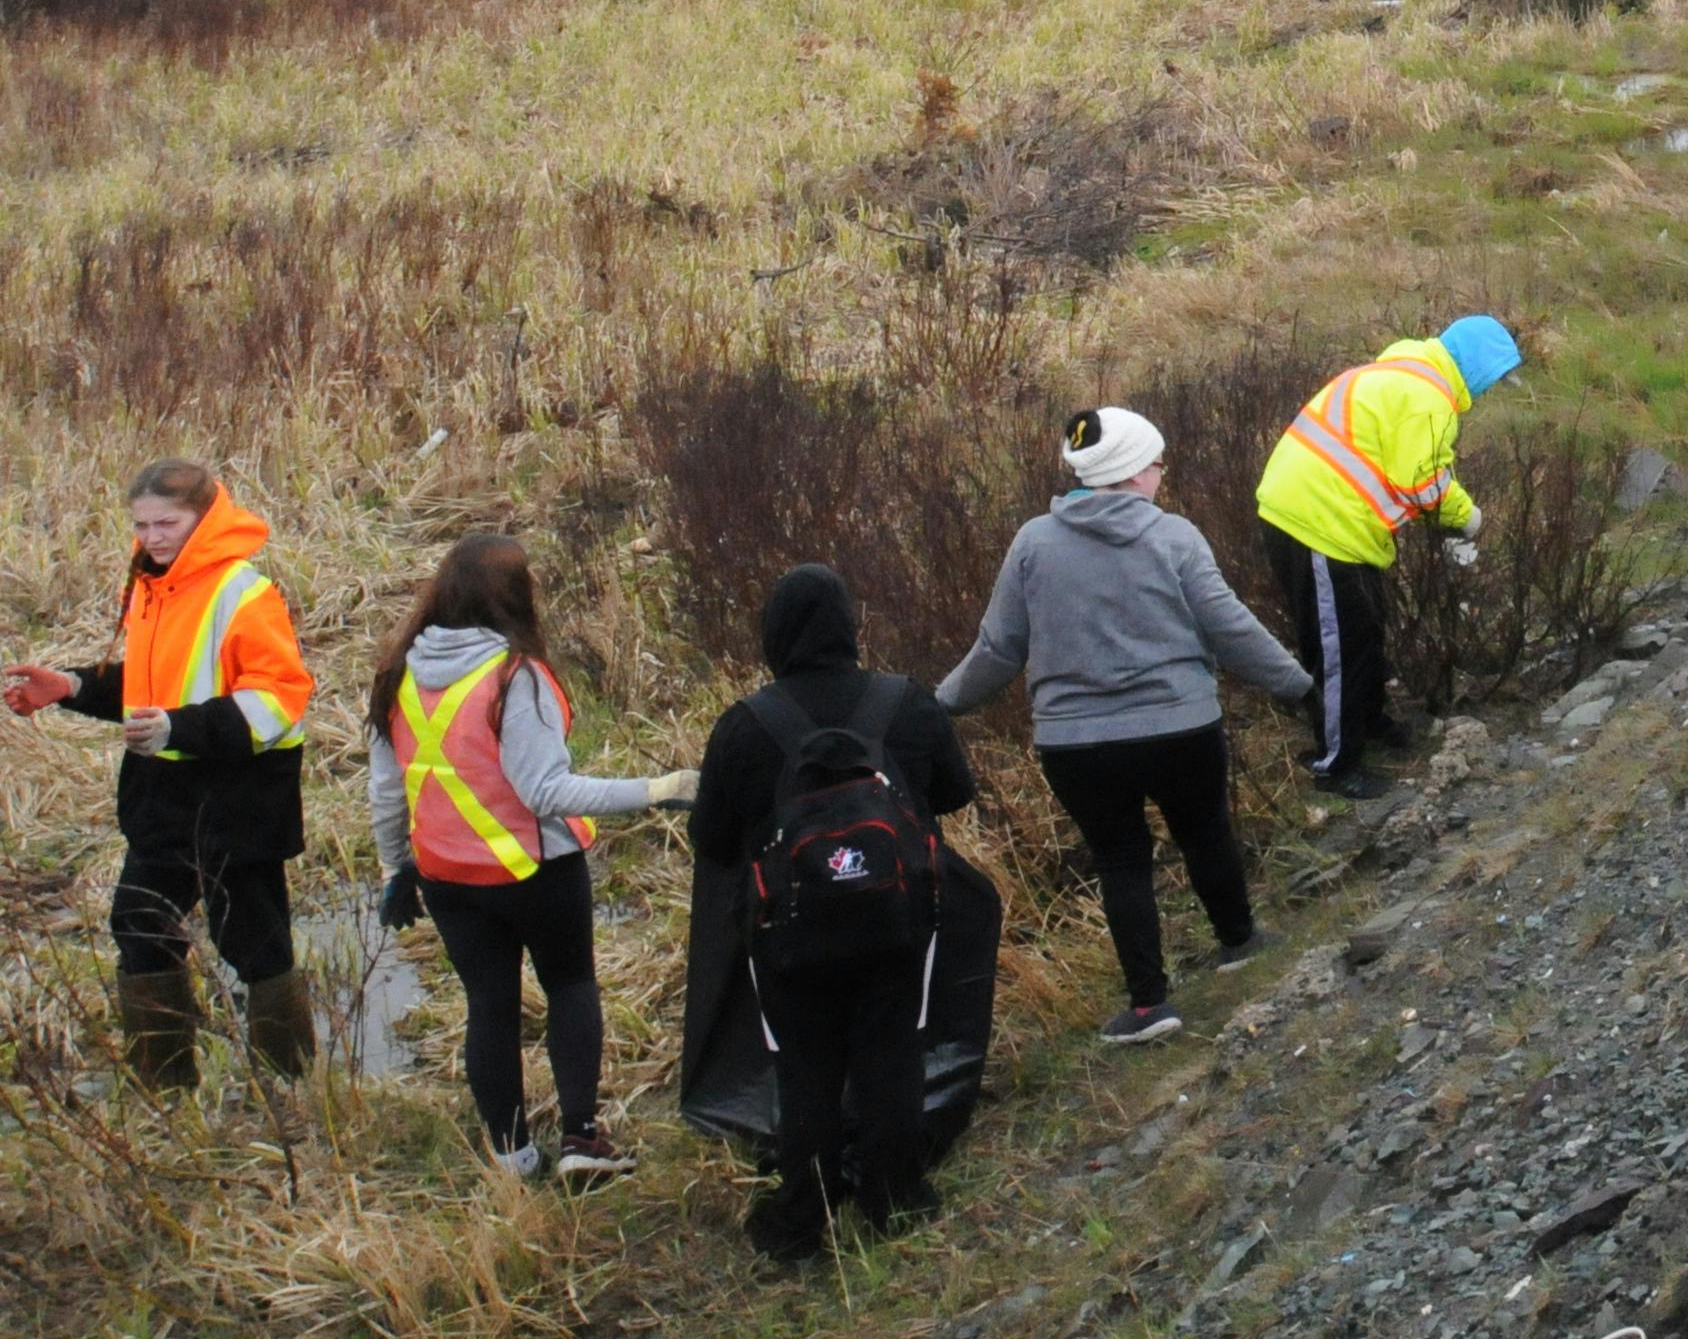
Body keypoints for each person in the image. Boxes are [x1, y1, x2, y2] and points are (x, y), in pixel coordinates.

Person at [939, 408, 1309, 1046]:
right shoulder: (1175, 538)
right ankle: (1240, 941)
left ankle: (1148, 1006)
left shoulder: (1032, 543)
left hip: (1076, 746)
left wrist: (939, 704)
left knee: (1120, 861)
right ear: (1137, 471)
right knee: (1206, 832)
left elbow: (999, 650)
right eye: (1159, 463)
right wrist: (1298, 684)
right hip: (1182, 729)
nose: (1163, 475)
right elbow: (1230, 629)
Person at [367, 534, 698, 1182]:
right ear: (518, 598)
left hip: (447, 880)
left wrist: (393, 866)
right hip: (536, 872)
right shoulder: (515, 676)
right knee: (570, 986)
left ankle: (513, 1158)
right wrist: (658, 790)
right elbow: (545, 791)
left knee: (488, 1007)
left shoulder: (397, 673)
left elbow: (384, 789)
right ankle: (581, 1142)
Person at [691, 562, 978, 1265]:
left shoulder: (745, 726)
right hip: (896, 916)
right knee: (891, 1053)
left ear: (774, 635)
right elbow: (955, 793)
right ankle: (893, 1200)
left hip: (789, 932)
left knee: (805, 1065)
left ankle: (803, 1219)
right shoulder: (905, 704)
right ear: (852, 626)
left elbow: (712, 841)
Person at [1, 461, 317, 1086]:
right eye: (141, 525)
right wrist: (70, 686)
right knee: (138, 925)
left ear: (206, 519)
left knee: (256, 947)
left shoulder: (243, 592)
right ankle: (166, 1090)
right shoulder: (152, 587)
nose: (152, 537)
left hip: (239, 804)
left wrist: (179, 730)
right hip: (162, 803)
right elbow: (151, 690)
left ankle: (294, 1094)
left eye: (167, 523)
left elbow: (279, 698)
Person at [1253, 317, 1517, 793]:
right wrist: (1466, 516)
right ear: (1476, 368)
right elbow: (1422, 483)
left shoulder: (1400, 377)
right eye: (1494, 378)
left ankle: (1366, 722)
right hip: (1318, 523)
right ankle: (1336, 766)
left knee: (1361, 633)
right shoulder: (1426, 399)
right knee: (1341, 648)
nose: (1492, 390)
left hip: (1324, 519)